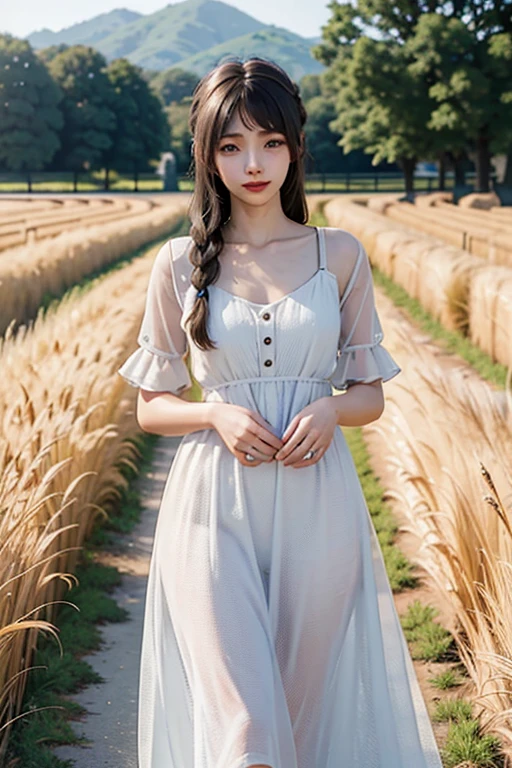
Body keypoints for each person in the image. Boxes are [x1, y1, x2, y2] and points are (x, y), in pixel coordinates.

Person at [118, 56, 443, 768]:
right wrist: (213, 417)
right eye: (230, 147)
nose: (252, 163)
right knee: (247, 735)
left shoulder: (341, 257)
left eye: (268, 141)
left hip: (318, 510)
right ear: (207, 158)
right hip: (211, 512)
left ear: (295, 145)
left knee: (296, 723)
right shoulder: (178, 262)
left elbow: (371, 392)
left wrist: (330, 411)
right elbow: (152, 407)